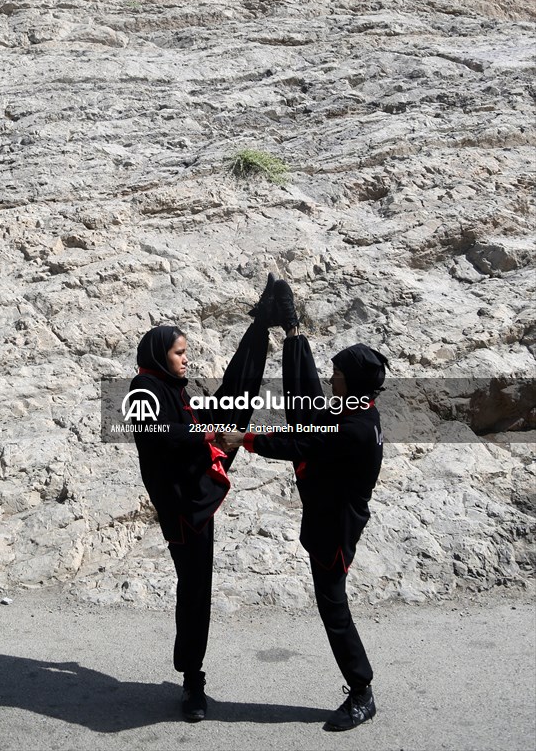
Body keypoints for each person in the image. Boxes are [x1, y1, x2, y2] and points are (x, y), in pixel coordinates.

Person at [221, 278, 387, 733]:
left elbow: (299, 439)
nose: (333, 378)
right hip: (331, 517)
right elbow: (309, 404)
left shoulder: (349, 427)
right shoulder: (360, 410)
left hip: (334, 531)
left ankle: (362, 692)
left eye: (339, 374)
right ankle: (289, 327)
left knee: (334, 608)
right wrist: (292, 334)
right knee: (333, 607)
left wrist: (244, 438)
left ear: (351, 382)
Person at [128, 275, 280, 722]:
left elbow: (188, 419)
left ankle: (260, 326)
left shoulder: (171, 386)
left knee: (236, 397)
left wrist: (215, 422)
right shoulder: (142, 390)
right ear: (159, 354)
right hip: (181, 504)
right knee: (194, 590)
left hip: (195, 485)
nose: (185, 359)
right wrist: (209, 432)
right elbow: (154, 432)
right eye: (179, 352)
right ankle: (192, 680)